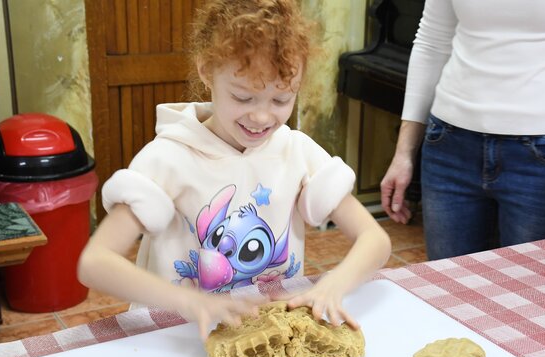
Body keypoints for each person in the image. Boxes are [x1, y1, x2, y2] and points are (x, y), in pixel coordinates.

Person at [78, 0, 391, 338]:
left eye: (281, 100)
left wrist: (334, 284)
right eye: (243, 98)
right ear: (206, 70)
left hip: (263, 331)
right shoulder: (168, 159)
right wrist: (188, 301)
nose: (261, 117)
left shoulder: (296, 152)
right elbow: (94, 263)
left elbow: (375, 240)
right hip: (176, 335)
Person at [380, 0, 545, 260]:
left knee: (537, 296)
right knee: (448, 293)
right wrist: (404, 152)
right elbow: (432, 40)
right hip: (449, 148)